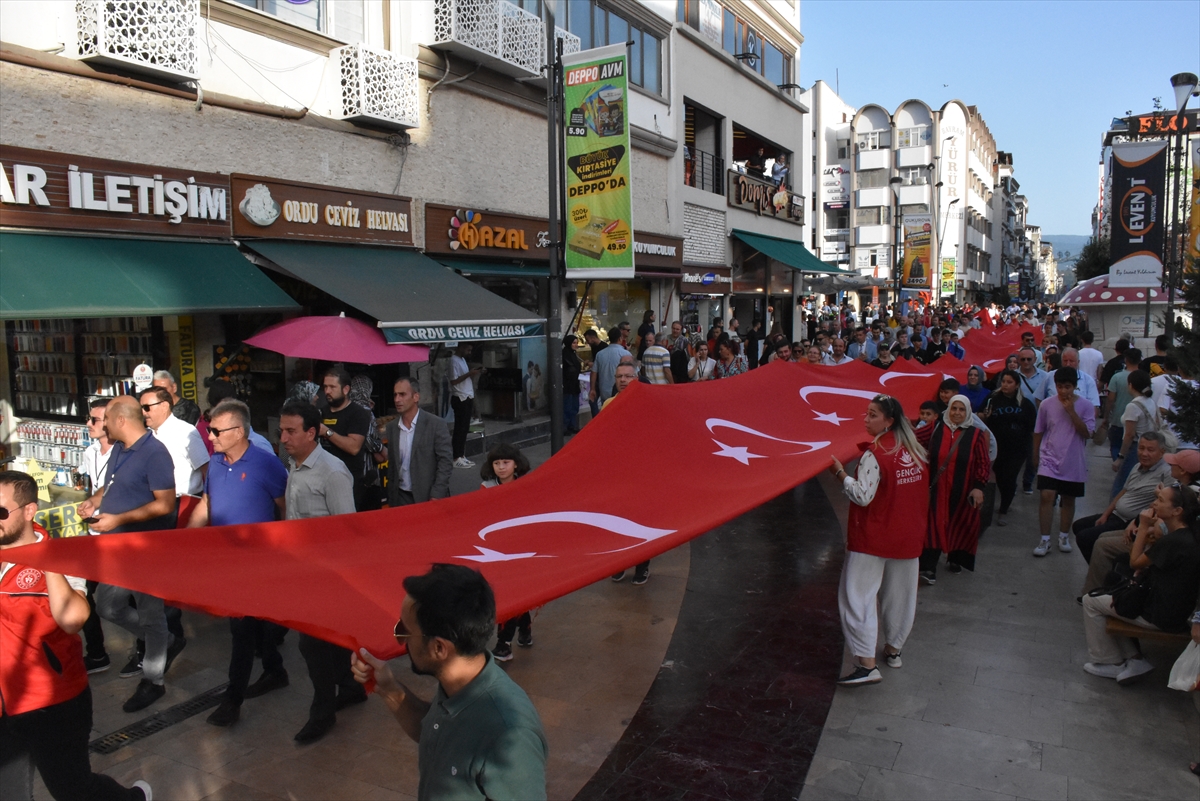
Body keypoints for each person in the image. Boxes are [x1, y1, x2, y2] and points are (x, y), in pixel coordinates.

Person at [0, 471, 153, 801]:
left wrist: (48, 563)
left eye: (1, 512)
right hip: (5, 700)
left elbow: (72, 619)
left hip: (52, 704)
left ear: (28, 511)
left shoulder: (61, 557)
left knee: (73, 791)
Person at [350, 565, 548, 800]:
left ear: (439, 648)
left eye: (404, 631)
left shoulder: (509, 735)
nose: (400, 640)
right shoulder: (458, 684)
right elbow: (433, 732)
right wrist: (388, 689)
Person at [186, 399, 290, 727]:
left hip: (259, 564)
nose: (211, 437)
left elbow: (285, 508)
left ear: (239, 431)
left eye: (216, 431)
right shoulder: (215, 464)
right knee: (254, 623)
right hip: (226, 562)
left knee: (241, 629)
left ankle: (232, 700)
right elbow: (208, 501)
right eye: (210, 430)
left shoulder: (267, 464)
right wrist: (186, 538)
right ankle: (274, 670)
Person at [76, 396, 181, 714]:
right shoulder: (121, 448)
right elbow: (111, 485)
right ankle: (162, 641)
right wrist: (94, 501)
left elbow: (165, 505)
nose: (101, 424)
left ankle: (154, 680)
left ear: (121, 420)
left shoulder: (155, 453)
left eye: (105, 418)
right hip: (119, 550)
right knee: (107, 605)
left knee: (151, 614)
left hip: (147, 551)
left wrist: (118, 519)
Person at [828, 395, 929, 685]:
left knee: (857, 595)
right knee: (901, 595)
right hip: (907, 536)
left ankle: (866, 663)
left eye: (872, 415)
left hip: (874, 537)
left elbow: (862, 495)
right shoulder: (915, 451)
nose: (865, 418)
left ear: (889, 420)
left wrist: (839, 475)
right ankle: (894, 649)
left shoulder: (876, 454)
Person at [277, 400, 361, 743]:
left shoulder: (333, 472)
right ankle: (351, 687)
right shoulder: (294, 466)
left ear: (312, 433)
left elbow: (347, 532)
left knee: (311, 646)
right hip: (301, 572)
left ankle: (322, 711)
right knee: (327, 643)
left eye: (291, 431)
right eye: (282, 430)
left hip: (328, 577)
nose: (283, 437)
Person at [1081, 485, 1200, 685]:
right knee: (1113, 588)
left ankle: (1110, 661)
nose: (1154, 503)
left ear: (1177, 511)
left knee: (1090, 602)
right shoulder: (1189, 535)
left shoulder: (1174, 542)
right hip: (1174, 609)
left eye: (1161, 500)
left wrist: (1143, 526)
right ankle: (1135, 659)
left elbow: (1134, 561)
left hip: (1161, 615)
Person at [917, 396, 992, 584]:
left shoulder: (976, 435)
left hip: (962, 491)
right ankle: (928, 568)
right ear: (948, 410)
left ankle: (955, 558)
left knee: (959, 524)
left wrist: (978, 487)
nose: (957, 413)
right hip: (935, 490)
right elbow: (912, 439)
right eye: (954, 409)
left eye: (961, 410)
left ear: (968, 413)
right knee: (932, 526)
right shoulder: (935, 428)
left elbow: (983, 463)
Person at [1074, 431, 1171, 572]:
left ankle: (1103, 572)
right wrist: (1105, 514)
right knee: (1078, 526)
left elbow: (1164, 502)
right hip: (1115, 514)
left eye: (1150, 450)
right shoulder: (1137, 467)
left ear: (1161, 452)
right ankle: (1101, 567)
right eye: (1141, 448)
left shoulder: (1166, 473)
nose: (1144, 453)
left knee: (1086, 538)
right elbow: (1123, 491)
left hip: (1128, 521)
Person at [1031, 368, 1095, 557]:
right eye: (1059, 386)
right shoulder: (1046, 405)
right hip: (1049, 457)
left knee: (1068, 498)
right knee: (1046, 496)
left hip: (1073, 460)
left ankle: (1064, 535)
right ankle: (1044, 539)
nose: (1063, 391)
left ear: (1075, 387)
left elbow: (1087, 433)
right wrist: (1035, 455)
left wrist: (1071, 412)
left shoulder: (1086, 406)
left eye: (1067, 387)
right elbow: (1039, 430)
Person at [480, 444, 534, 662]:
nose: (501, 467)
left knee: (513, 594)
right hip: (497, 548)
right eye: (496, 463)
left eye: (505, 462)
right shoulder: (486, 486)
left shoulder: (527, 485)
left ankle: (504, 643)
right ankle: (525, 628)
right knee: (511, 593)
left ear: (516, 464)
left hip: (522, 548)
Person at [77, 398, 114, 674]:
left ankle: (146, 649)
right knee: (84, 592)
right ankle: (97, 652)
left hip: (117, 534)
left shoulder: (125, 452)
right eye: (89, 419)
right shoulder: (90, 453)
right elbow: (93, 487)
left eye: (95, 420)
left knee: (127, 598)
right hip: (93, 535)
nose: (89, 424)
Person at [379, 377, 453, 507]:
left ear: (416, 397)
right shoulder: (392, 428)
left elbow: (445, 461)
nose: (397, 400)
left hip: (428, 496)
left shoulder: (435, 424)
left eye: (402, 394)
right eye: (395, 395)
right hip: (400, 497)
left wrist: (437, 494)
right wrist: (391, 496)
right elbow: (392, 466)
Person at [979, 370, 1036, 526]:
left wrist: (1034, 450)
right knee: (998, 478)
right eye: (1003, 381)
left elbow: (1032, 428)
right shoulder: (992, 398)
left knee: (1009, 479)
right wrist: (985, 415)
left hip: (1017, 449)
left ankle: (1004, 509)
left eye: (1009, 382)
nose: (1005, 385)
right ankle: (997, 504)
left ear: (1017, 385)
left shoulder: (1025, 403)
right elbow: (979, 416)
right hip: (997, 447)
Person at [319, 368, 376, 505]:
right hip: (322, 479)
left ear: (345, 389)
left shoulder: (358, 413)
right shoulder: (321, 411)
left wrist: (327, 432)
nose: (327, 391)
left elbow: (354, 447)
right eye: (326, 387)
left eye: (332, 387)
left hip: (348, 480)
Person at [1110, 370, 1158, 499]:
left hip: (1135, 448)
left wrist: (1120, 456)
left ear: (1130, 385)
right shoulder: (1150, 401)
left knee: (1121, 483)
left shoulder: (1133, 406)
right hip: (1150, 445)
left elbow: (1129, 434)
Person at [448, 344, 483, 469]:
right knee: (459, 428)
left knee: (465, 428)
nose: (469, 352)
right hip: (460, 397)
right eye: (468, 349)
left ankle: (461, 455)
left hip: (467, 396)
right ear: (461, 347)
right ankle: (456, 456)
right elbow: (453, 380)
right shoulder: (453, 361)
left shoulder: (462, 360)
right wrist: (469, 374)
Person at [590, 326, 631, 409]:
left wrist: (592, 389)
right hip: (621, 392)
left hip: (604, 392)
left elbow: (593, 373)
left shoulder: (600, 354)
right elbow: (633, 374)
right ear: (620, 338)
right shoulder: (626, 354)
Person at [562, 336, 583, 433]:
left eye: (576, 343)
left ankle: (572, 425)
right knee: (567, 407)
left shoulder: (573, 355)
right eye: (574, 343)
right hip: (567, 385)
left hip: (574, 384)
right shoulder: (564, 355)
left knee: (574, 406)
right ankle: (565, 426)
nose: (576, 345)